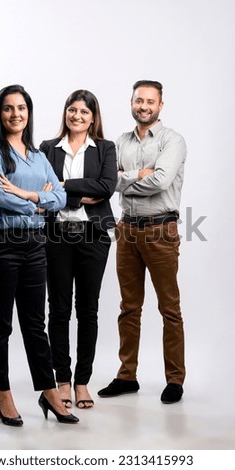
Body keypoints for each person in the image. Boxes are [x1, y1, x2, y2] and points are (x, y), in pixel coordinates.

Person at [0, 84, 79, 426]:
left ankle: (48, 390)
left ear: (28, 113)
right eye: (8, 108)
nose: (15, 114)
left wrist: (26, 194)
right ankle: (2, 393)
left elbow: (60, 197)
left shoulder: (38, 156)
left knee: (36, 323)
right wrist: (38, 198)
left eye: (21, 108)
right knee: (1, 322)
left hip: (34, 244)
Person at [98, 80, 187, 404]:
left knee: (169, 309)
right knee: (129, 308)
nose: (144, 106)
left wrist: (124, 179)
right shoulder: (120, 141)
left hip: (161, 230)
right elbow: (108, 182)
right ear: (132, 102)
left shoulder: (171, 140)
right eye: (139, 100)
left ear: (160, 105)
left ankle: (175, 380)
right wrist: (138, 175)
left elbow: (162, 180)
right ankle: (127, 376)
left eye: (150, 101)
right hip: (127, 231)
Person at [39, 89, 117, 409]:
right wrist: (81, 192)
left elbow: (106, 187)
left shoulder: (105, 148)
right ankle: (63, 381)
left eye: (84, 112)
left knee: (88, 311)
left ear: (93, 117)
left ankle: (83, 382)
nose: (77, 116)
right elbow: (41, 192)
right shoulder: (47, 149)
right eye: (72, 110)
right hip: (55, 236)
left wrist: (62, 188)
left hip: (93, 236)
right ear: (65, 113)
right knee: (59, 311)